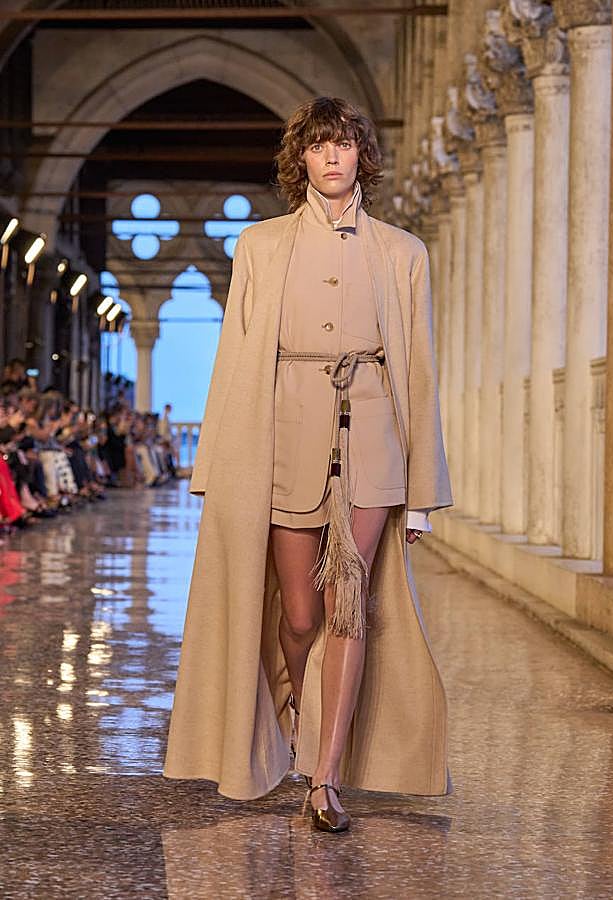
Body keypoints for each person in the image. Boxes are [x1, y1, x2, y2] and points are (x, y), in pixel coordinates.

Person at [164, 97, 453, 833]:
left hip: (374, 439)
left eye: (344, 144)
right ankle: (296, 711)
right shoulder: (259, 247)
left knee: (350, 607)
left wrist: (421, 495)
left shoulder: (402, 252)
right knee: (300, 613)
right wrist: (219, 472)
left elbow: (417, 371)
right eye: (319, 145)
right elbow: (236, 356)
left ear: (362, 156)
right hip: (285, 436)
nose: (332, 156)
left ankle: (324, 779)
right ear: (301, 159)